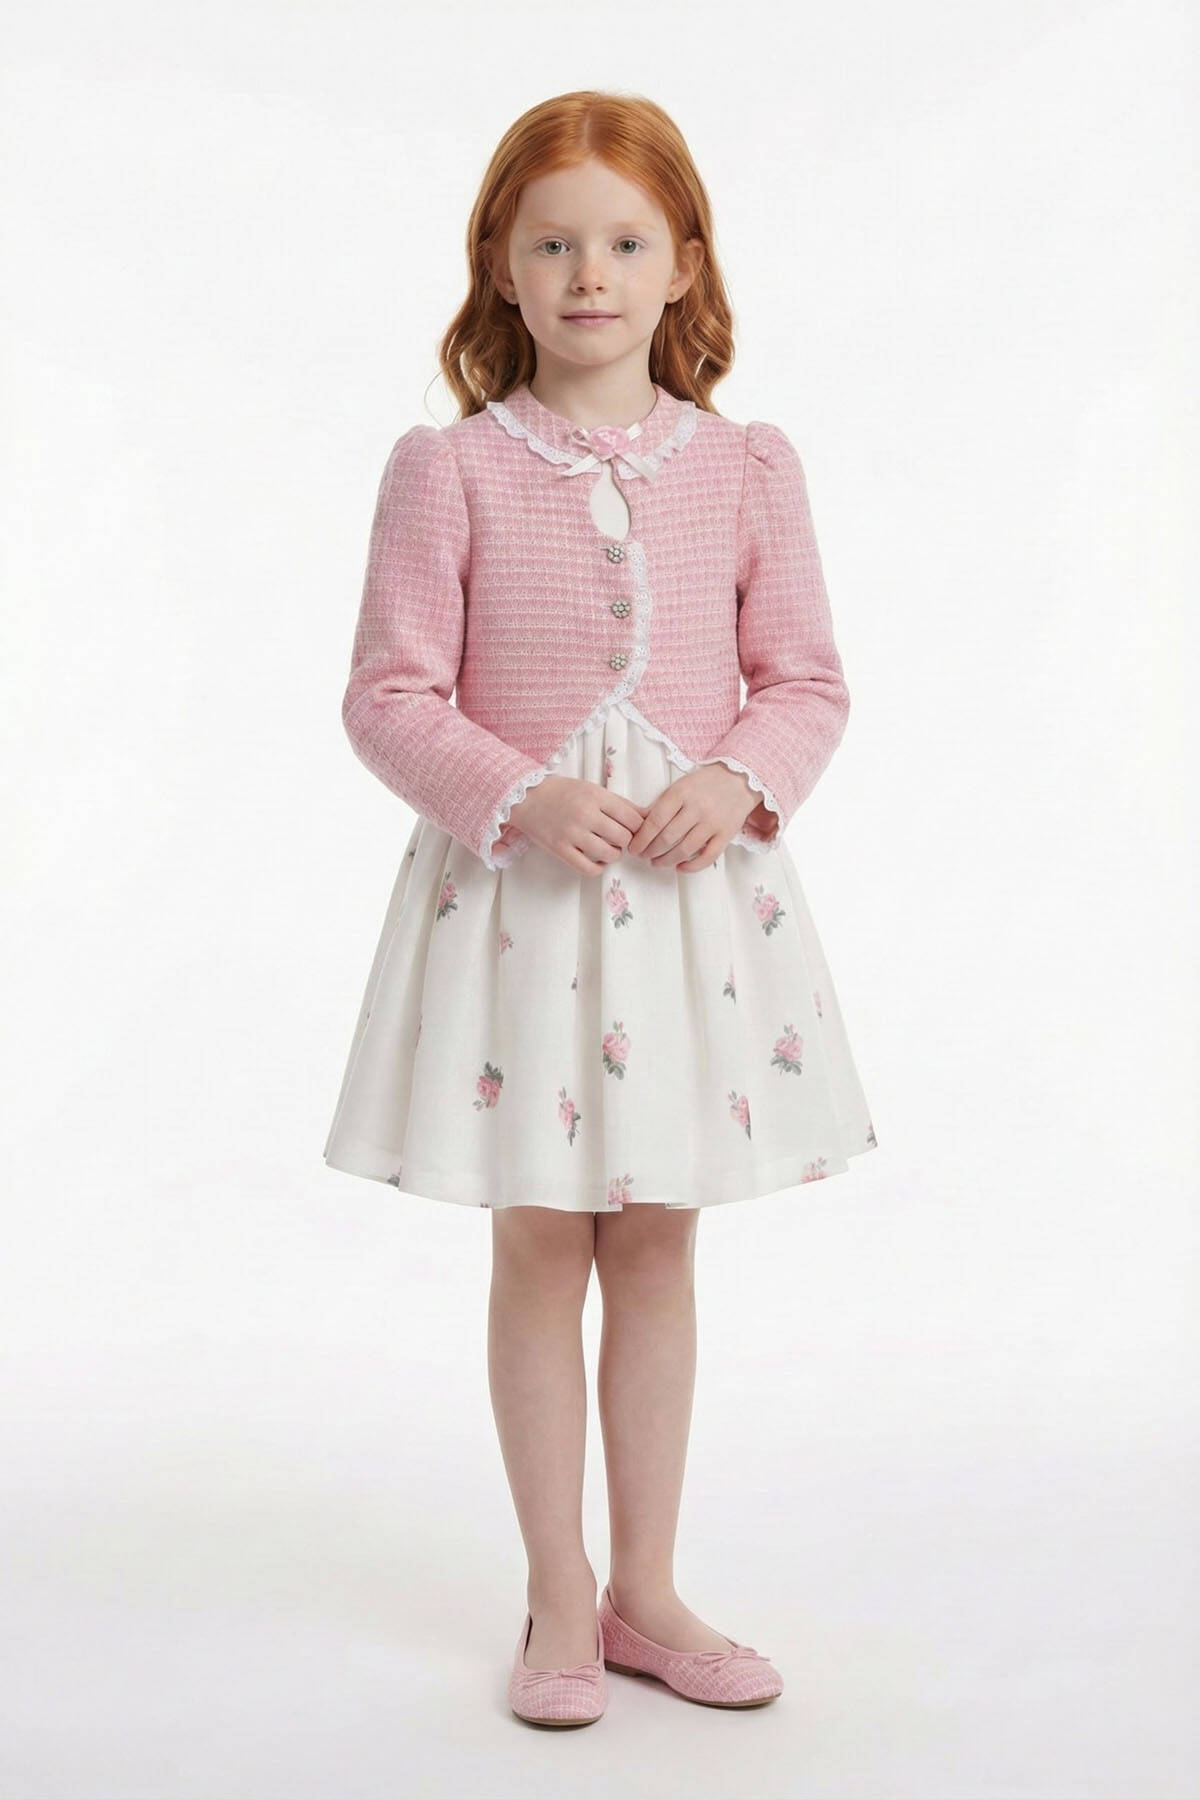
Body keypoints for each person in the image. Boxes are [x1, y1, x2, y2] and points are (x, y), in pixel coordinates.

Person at [322, 89, 878, 1727]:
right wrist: (519, 792)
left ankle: (649, 1589)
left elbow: (807, 679)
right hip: (527, 912)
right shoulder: (448, 471)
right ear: (500, 264)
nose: (590, 274)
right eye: (554, 243)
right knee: (539, 1238)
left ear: (682, 262)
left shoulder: (749, 468)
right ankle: (557, 1595)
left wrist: (741, 776)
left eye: (626, 243)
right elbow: (387, 694)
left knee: (656, 1243)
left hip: (686, 913)